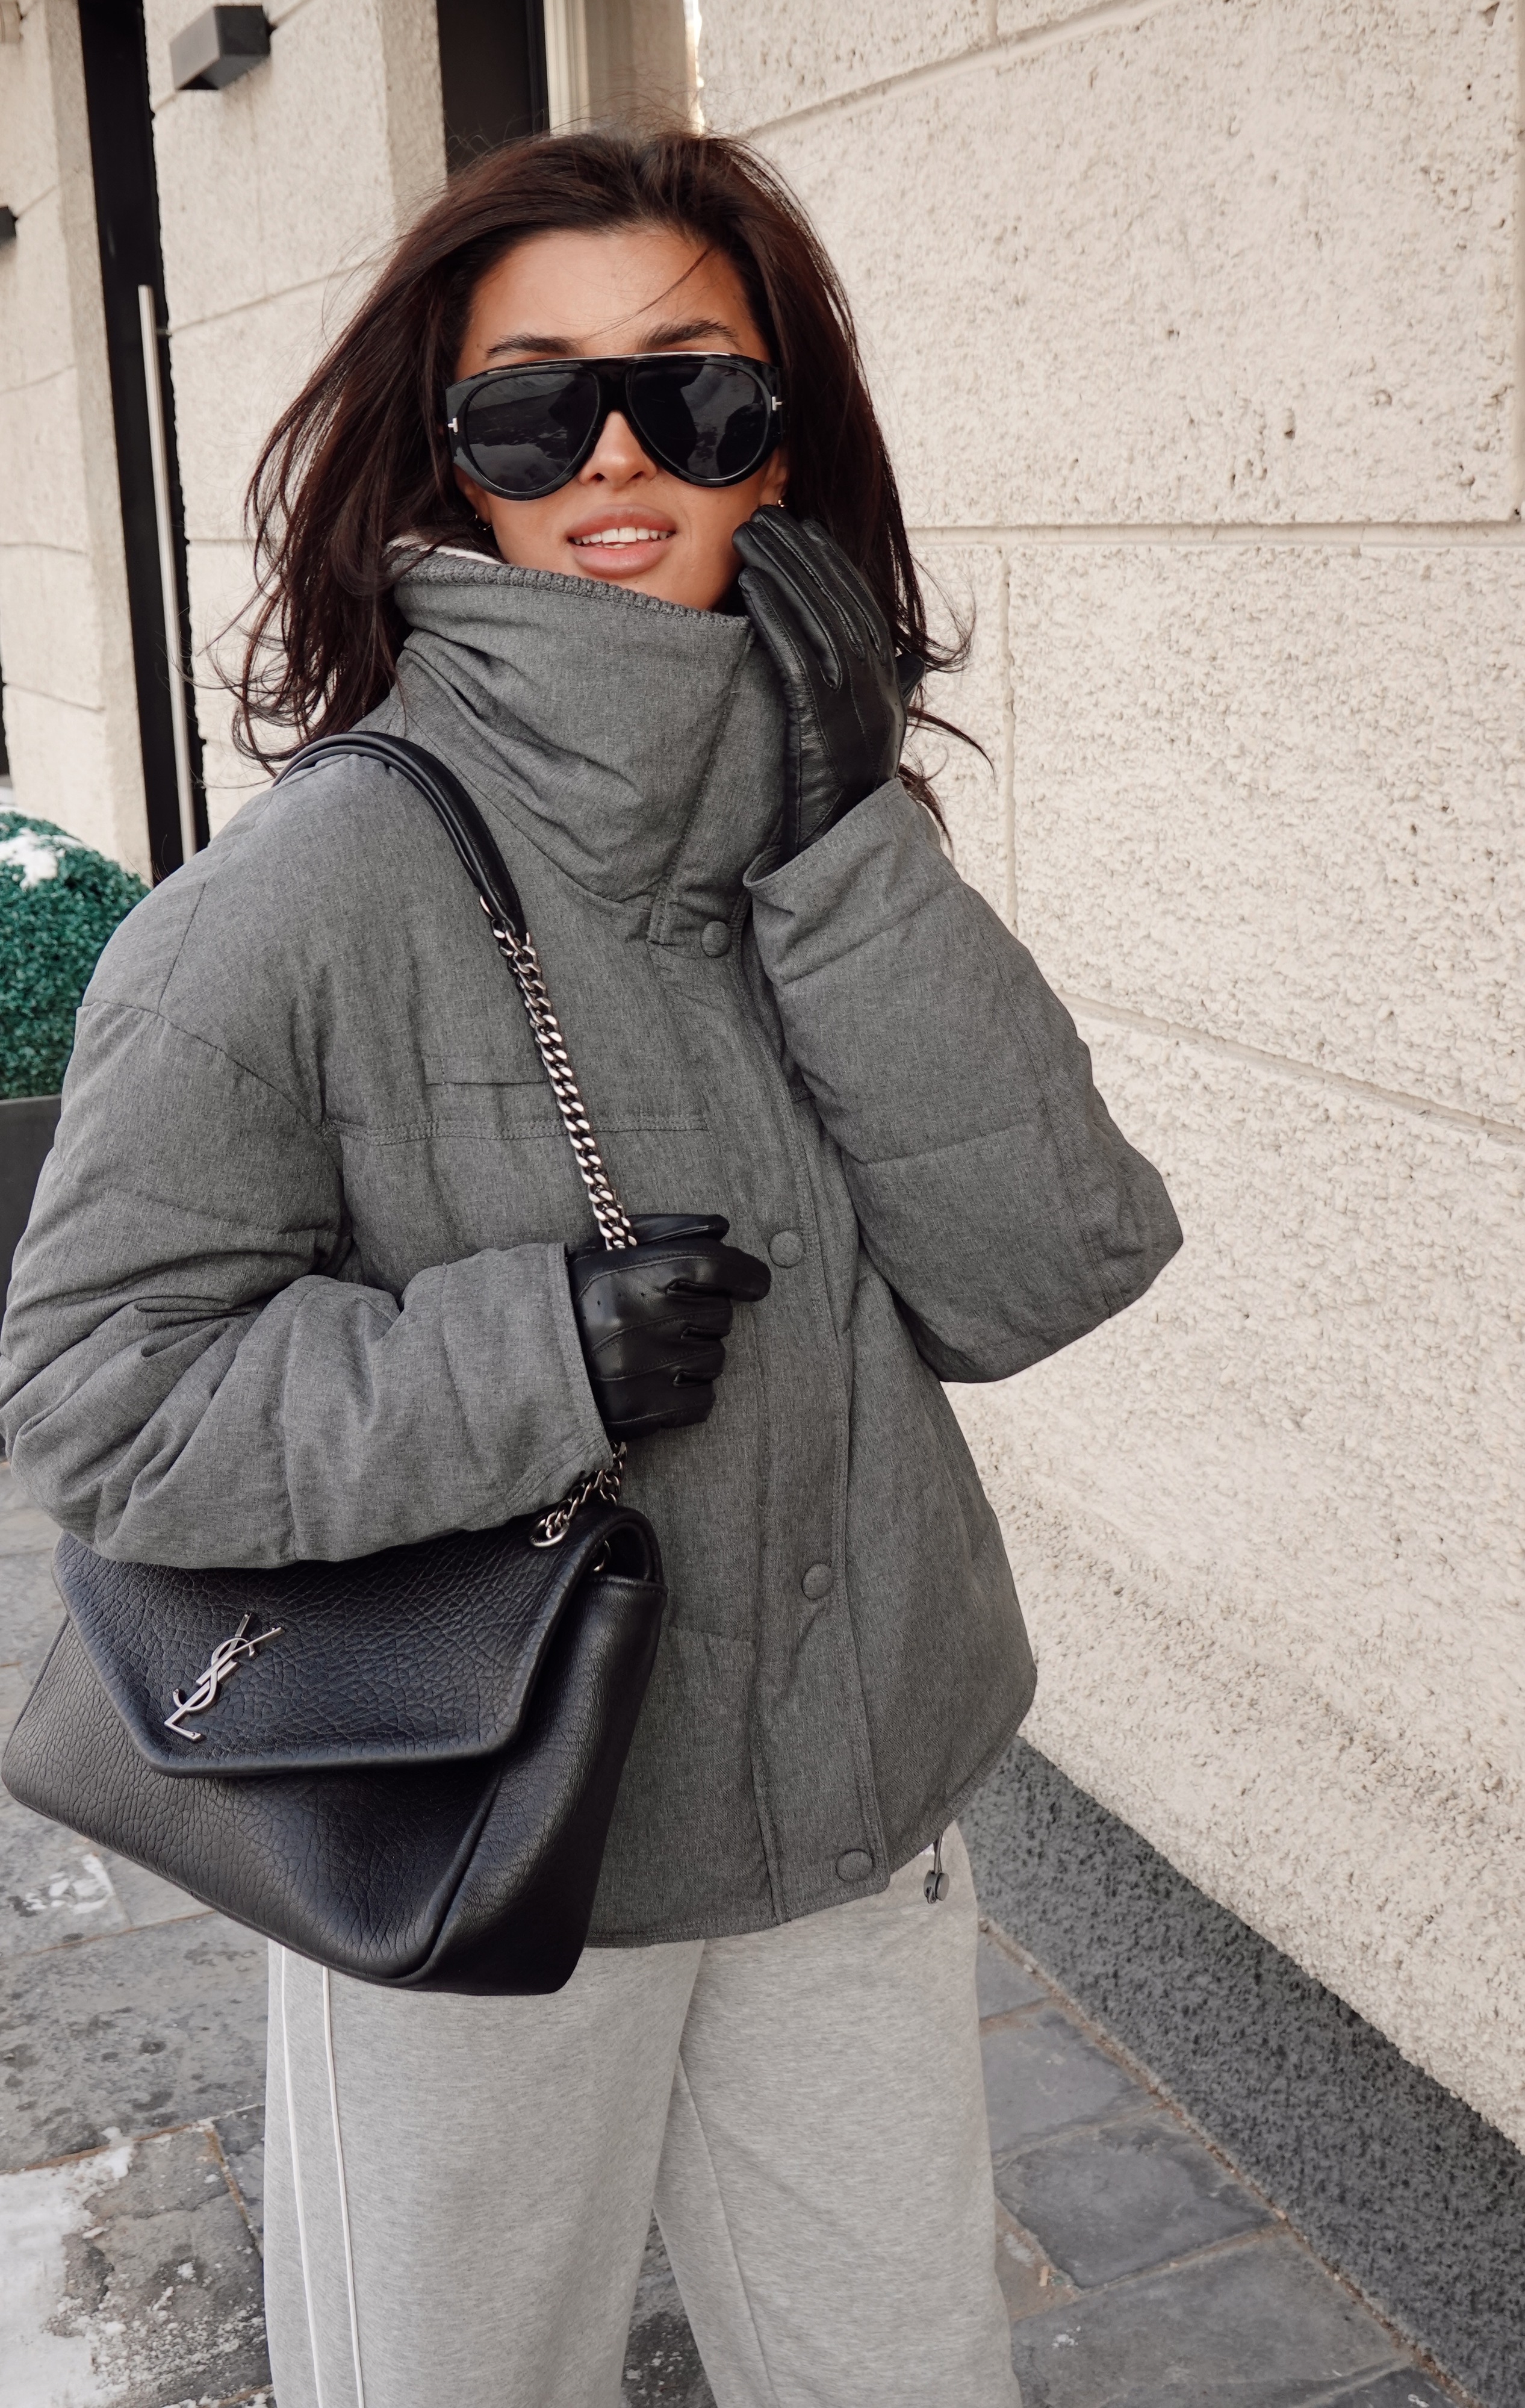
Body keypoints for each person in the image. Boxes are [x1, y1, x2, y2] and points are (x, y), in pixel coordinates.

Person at [0, 129, 1181, 2407]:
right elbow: (95, 1406)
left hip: (852, 1815)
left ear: (783, 441)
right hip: (478, 1833)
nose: (618, 455)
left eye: (694, 390)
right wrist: (527, 1352)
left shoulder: (824, 829)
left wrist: (848, 845)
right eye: (537, 402)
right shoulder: (300, 902)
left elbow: (1045, 1268)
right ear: (448, 456)